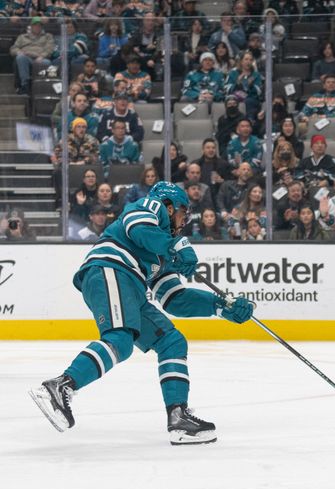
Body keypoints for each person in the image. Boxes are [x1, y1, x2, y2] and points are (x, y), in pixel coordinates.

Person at [29, 182, 254, 445]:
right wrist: (174, 247)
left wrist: (219, 305)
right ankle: (61, 385)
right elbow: (137, 229)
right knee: (120, 340)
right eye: (182, 213)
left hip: (130, 284)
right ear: (169, 206)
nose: (183, 222)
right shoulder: (151, 206)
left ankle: (178, 417)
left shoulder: (161, 254)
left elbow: (175, 300)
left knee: (172, 341)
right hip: (111, 269)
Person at [11, 17, 55, 94]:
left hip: (40, 58)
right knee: (20, 58)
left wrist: (42, 56)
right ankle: (25, 85)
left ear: (42, 27)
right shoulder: (22, 37)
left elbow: (49, 49)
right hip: (26, 58)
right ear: (31, 26)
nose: (37, 27)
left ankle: (43, 88)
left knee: (47, 63)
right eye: (35, 25)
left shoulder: (48, 36)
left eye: (39, 25)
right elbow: (13, 49)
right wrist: (19, 52)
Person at [225, 50, 263, 120]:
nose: (248, 62)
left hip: (251, 99)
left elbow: (259, 91)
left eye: (250, 60)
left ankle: (250, 121)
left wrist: (251, 86)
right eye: (246, 59)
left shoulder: (256, 74)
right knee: (231, 102)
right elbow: (226, 88)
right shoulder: (233, 73)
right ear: (241, 61)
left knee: (249, 101)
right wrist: (237, 84)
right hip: (235, 97)